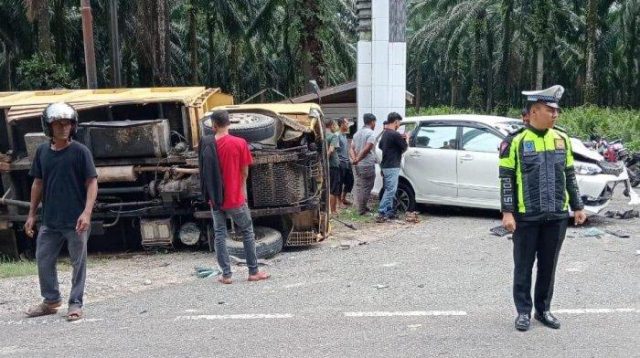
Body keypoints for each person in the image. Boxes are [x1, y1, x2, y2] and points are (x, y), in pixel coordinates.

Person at [499, 85, 587, 332]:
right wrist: (507, 212)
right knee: (524, 266)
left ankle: (543, 310)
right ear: (534, 111)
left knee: (548, 266)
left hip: (557, 215)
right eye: (550, 110)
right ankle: (523, 312)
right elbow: (506, 178)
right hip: (526, 217)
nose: (555, 114)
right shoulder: (515, 142)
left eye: (556, 110)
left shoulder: (562, 138)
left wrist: (577, 206)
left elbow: (569, 175)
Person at [24, 102, 98, 322]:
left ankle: (75, 303)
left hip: (76, 220)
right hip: (50, 220)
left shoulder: (80, 152)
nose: (64, 128)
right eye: (58, 124)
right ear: (49, 127)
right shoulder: (42, 152)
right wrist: (31, 214)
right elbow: (37, 183)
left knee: (78, 263)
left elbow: (92, 183)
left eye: (67, 124)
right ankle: (50, 300)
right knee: (43, 258)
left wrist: (86, 213)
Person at [204, 110, 269, 284]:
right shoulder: (240, 143)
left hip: (215, 198)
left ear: (213, 125)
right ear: (229, 123)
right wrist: (241, 191)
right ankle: (253, 272)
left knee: (220, 235)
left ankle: (226, 275)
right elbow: (245, 171)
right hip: (235, 197)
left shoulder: (206, 144)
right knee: (247, 231)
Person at [376, 112, 407, 222]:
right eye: (399, 123)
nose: (399, 125)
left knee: (389, 189)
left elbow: (380, 146)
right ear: (396, 122)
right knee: (391, 190)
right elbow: (404, 147)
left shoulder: (385, 133)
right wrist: (406, 138)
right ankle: (382, 211)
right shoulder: (395, 134)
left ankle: (389, 211)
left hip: (385, 165)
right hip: (392, 165)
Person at [350, 113, 377, 215]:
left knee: (360, 186)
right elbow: (368, 148)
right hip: (366, 164)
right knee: (366, 187)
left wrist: (355, 159)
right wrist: (358, 159)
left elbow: (351, 148)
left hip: (358, 165)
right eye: (375, 122)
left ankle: (362, 207)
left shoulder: (357, 133)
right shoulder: (370, 133)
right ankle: (361, 210)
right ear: (372, 122)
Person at [336, 117, 354, 206]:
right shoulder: (337, 135)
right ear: (342, 124)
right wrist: (337, 161)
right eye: (346, 123)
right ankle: (339, 202)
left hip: (347, 162)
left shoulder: (344, 135)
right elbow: (334, 149)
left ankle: (343, 198)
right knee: (340, 182)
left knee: (350, 180)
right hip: (340, 162)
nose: (348, 125)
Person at [324, 118, 341, 214]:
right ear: (331, 125)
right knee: (333, 189)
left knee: (325, 188)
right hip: (333, 165)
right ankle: (333, 211)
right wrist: (325, 159)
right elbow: (331, 150)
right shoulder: (333, 136)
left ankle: (326, 210)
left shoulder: (320, 136)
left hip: (323, 166)